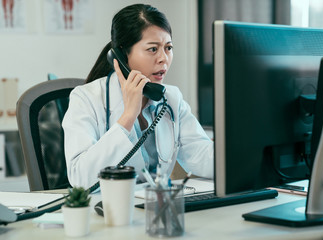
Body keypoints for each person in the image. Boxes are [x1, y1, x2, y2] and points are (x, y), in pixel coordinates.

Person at [62, 4, 214, 190]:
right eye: (152, 49)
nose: (163, 58)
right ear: (122, 54)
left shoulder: (171, 98)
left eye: (168, 48)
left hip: (156, 207)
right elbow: (80, 178)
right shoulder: (86, 99)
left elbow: (202, 156)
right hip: (109, 211)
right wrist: (127, 117)